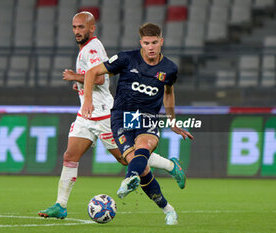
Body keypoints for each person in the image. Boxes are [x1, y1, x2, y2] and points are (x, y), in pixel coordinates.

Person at [38, 12, 186, 220]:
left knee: (131, 160)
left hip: (105, 114)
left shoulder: (93, 48)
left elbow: (98, 78)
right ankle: (61, 205)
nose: (77, 31)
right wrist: (81, 85)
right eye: (74, 27)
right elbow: (90, 78)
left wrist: (78, 81)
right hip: (86, 115)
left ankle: (170, 167)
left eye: (81, 27)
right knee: (70, 157)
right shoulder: (89, 49)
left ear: (92, 29)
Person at [81, 22, 194, 225]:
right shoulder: (126, 58)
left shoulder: (169, 68)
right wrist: (88, 100)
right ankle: (169, 208)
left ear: (161, 42)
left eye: (154, 42)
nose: (150, 47)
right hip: (122, 116)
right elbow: (91, 73)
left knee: (145, 146)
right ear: (140, 42)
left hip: (148, 116)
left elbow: (168, 93)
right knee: (142, 169)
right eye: (146, 43)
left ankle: (129, 178)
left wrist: (173, 122)